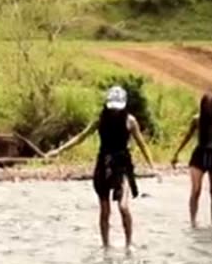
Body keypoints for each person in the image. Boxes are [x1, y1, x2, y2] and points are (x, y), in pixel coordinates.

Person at [49, 85, 154, 248]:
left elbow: (142, 144)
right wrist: (58, 151)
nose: (115, 112)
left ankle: (128, 244)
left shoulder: (130, 121)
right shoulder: (100, 119)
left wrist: (152, 166)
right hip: (103, 165)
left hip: (122, 166)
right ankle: (106, 245)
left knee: (124, 207)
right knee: (105, 210)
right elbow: (80, 137)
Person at [171, 94, 212, 227]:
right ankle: (193, 220)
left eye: (211, 106)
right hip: (199, 155)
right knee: (196, 189)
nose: (208, 109)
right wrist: (176, 153)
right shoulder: (197, 120)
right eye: (206, 106)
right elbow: (187, 136)